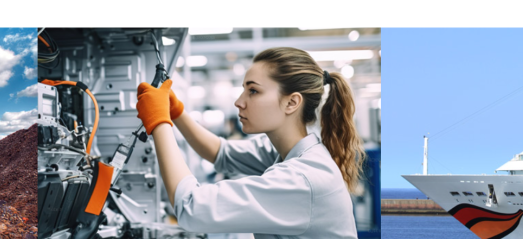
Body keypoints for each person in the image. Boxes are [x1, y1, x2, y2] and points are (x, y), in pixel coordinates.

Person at [134, 47, 363, 238]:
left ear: (292, 102)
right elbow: (221, 153)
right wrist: (176, 112)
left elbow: (192, 208)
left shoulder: (302, 179)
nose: (238, 102)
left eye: (253, 91)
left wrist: (159, 123)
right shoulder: (288, 152)